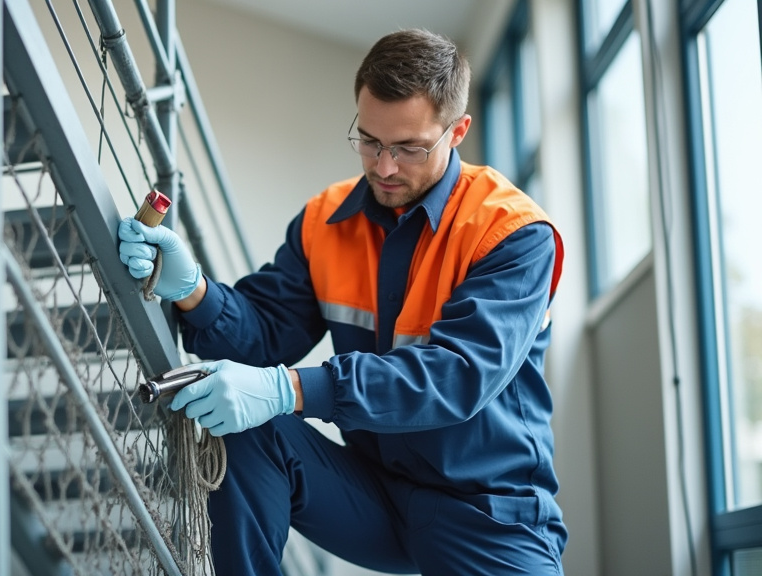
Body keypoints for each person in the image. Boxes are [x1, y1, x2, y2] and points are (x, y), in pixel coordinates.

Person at [118, 28, 567, 576]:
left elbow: (457, 376)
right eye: (370, 140)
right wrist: (193, 291)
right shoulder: (324, 221)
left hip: (488, 513)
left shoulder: (513, 234)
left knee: (270, 401)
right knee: (242, 428)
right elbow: (265, 333)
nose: (384, 166)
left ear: (458, 131)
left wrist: (290, 389)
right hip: (374, 493)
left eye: (409, 148)